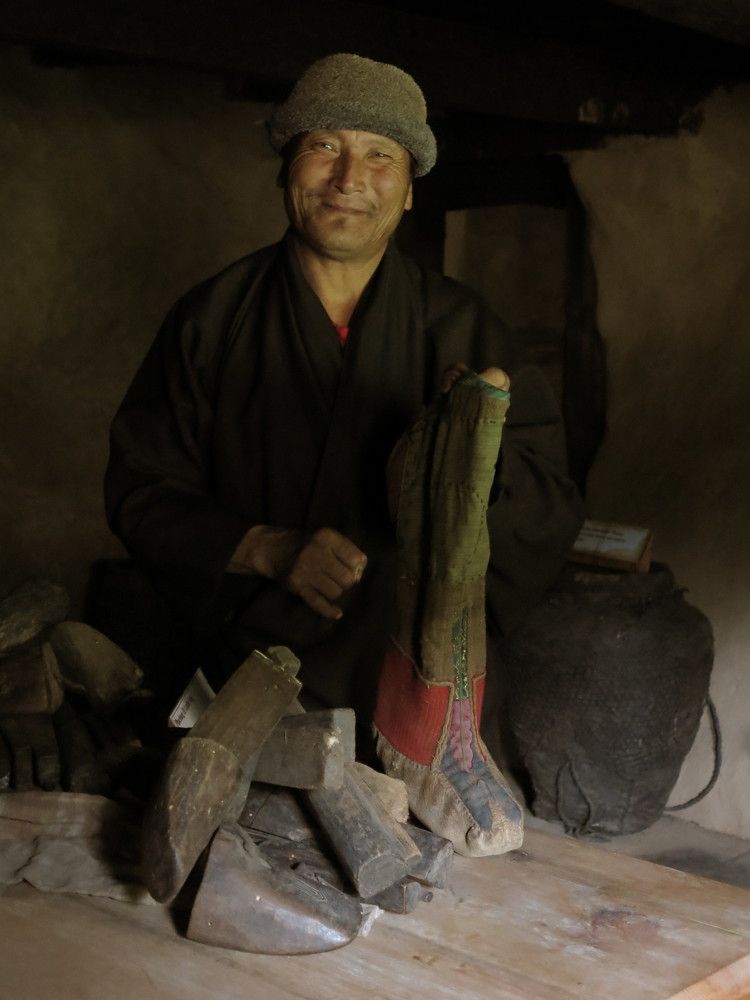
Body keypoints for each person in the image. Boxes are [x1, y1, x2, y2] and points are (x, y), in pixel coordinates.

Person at [105, 53, 582, 751]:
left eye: (380, 155)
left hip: (417, 693)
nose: (349, 179)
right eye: (323, 146)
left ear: (411, 189)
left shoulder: (467, 330)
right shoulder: (211, 321)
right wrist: (267, 549)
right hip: (249, 683)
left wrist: (465, 461)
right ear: (287, 170)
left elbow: (552, 509)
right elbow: (141, 492)